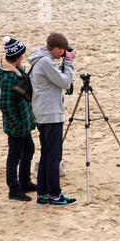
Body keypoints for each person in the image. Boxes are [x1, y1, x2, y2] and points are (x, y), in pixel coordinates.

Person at [28, 32, 77, 206]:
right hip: (50, 115)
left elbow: (57, 80)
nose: (63, 54)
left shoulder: (40, 59)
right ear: (55, 49)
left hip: (43, 113)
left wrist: (64, 62)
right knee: (53, 156)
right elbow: (64, 83)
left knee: (47, 155)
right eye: (62, 51)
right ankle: (55, 195)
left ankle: (43, 194)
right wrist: (69, 63)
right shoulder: (46, 62)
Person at [0, 36, 37, 201]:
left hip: (23, 123)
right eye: (21, 55)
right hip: (16, 126)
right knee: (14, 155)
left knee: (28, 150)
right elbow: (5, 105)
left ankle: (25, 182)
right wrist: (17, 123)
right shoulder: (8, 78)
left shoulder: (16, 70)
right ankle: (14, 189)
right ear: (16, 57)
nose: (23, 58)